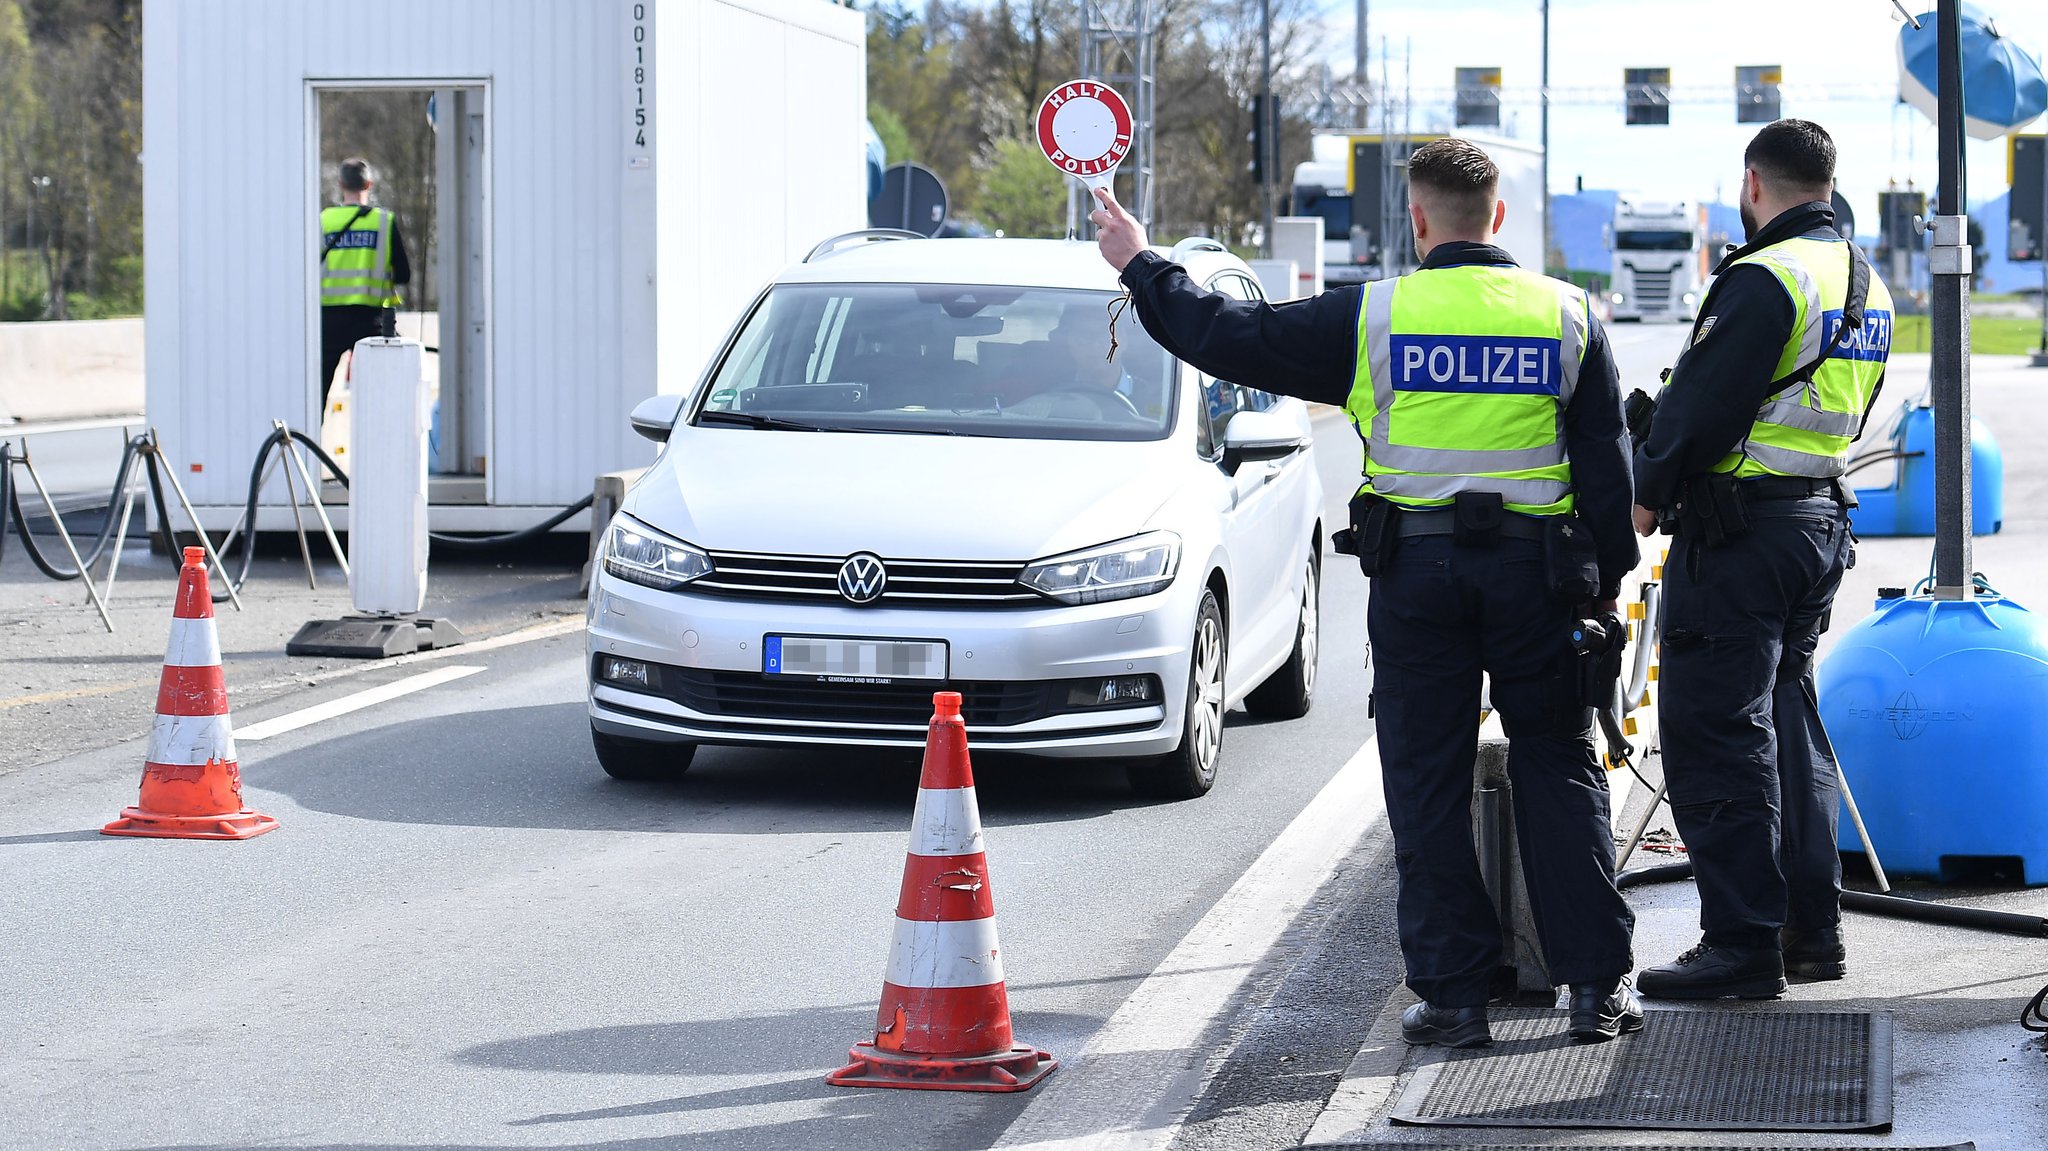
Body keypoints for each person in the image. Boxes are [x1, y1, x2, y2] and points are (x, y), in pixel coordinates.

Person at [1091, 138, 1642, 1045]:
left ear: (1416, 221)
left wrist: (1142, 264)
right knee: (1558, 762)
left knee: (1424, 778)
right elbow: (1606, 474)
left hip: (1419, 577)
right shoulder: (1569, 316)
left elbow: (1229, 335)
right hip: (1538, 579)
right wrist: (1603, 588)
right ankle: (1590, 990)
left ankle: (1458, 997)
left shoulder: (1375, 316)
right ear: (1496, 218)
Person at [1631, 119, 1892, 1000]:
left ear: (1754, 185)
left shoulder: (1764, 276)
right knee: (1787, 726)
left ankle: (1740, 944)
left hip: (1740, 539)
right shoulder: (1867, 280)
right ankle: (1810, 932)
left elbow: (1698, 408)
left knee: (1716, 732)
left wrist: (1645, 486)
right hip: (1818, 522)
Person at [318, 157, 411, 413]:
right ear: (368, 184)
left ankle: (309, 446)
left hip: (329, 320)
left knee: (316, 398)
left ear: (340, 185)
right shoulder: (384, 222)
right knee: (382, 397)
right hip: (370, 320)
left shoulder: (323, 221)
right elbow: (403, 274)